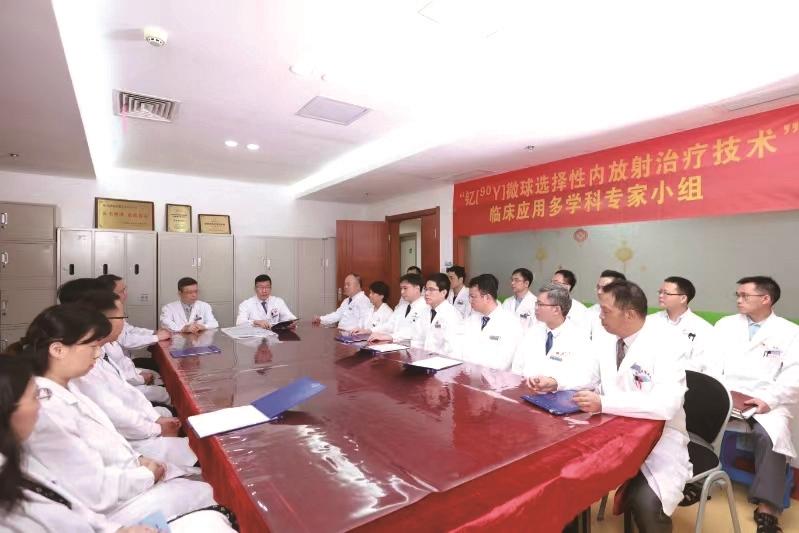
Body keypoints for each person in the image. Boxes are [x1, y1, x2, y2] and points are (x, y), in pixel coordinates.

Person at [16, 305, 219, 520]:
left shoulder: (68, 386)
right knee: (210, 495)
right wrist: (145, 474)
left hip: (130, 475)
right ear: (58, 350)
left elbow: (105, 441)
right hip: (116, 504)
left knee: (202, 483)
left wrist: (139, 460)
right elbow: (90, 487)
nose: (97, 353)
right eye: (92, 346)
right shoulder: (45, 409)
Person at [0, 356, 236, 532]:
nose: (41, 404)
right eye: (35, 397)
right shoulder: (50, 415)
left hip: (121, 488)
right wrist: (145, 473)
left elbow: (71, 505)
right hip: (119, 494)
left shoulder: (15, 460)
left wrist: (117, 530)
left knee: (207, 510)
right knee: (209, 502)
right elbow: (90, 489)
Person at [529, 280, 691, 532]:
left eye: (606, 311)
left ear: (629, 314)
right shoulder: (606, 337)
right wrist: (556, 381)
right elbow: (588, 374)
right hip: (608, 433)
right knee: (563, 478)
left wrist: (604, 402)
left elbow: (667, 404)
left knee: (645, 503)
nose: (600, 316)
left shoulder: (667, 344)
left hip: (657, 440)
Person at [705, 276, 799, 533]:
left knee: (770, 437)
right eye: (737, 295)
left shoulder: (790, 332)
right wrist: (719, 393)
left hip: (767, 400)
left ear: (766, 299)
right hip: (725, 395)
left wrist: (768, 400)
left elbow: (794, 375)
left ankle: (767, 509)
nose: (738, 300)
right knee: (690, 420)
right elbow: (710, 364)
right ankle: (694, 482)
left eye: (745, 295)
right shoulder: (725, 325)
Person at [71, 291, 195, 467]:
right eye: (122, 317)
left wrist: (155, 420)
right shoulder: (85, 365)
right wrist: (157, 427)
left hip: (136, 428)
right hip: (130, 445)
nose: (124, 323)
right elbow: (115, 409)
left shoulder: (98, 354)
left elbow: (124, 391)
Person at [512, 282, 590, 380]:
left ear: (556, 310)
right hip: (526, 387)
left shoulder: (579, 338)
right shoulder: (532, 332)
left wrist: (555, 383)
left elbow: (583, 376)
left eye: (540, 304)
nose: (535, 308)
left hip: (560, 389)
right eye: (536, 303)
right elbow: (517, 366)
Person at [454, 274, 523, 371]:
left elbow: (503, 361)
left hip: (495, 378)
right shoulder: (470, 320)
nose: (469, 300)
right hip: (466, 374)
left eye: (473, 297)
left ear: (487, 297)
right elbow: (458, 347)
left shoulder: (510, 323)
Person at [646, 276, 713, 371]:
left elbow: (700, 364)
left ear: (683, 298)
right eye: (660, 292)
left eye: (666, 293)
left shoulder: (703, 328)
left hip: (684, 378)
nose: (660, 296)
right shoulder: (649, 321)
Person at [97, 274, 172, 350]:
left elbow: (129, 330)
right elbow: (125, 340)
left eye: (125, 289)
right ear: (108, 294)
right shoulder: (105, 316)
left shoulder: (113, 311)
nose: (126, 294)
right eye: (122, 291)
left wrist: (153, 333)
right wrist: (157, 337)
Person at [368, 273, 430, 348]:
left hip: (414, 349)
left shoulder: (426, 307)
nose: (402, 292)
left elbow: (414, 332)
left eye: (405, 288)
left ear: (417, 288)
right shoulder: (402, 307)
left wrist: (391, 337)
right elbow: (390, 324)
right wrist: (370, 331)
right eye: (401, 288)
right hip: (397, 346)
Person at [422, 273, 460, 356]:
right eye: (426, 289)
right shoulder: (424, 311)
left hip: (442, 361)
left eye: (431, 290)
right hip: (421, 359)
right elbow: (417, 339)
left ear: (443, 292)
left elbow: (451, 349)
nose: (426, 293)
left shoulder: (451, 315)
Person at [587, 269, 626, 340]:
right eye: (598, 287)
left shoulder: (630, 314)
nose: (599, 292)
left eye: (605, 288)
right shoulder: (591, 312)